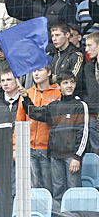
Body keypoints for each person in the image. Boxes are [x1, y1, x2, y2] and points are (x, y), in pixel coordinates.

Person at [21, 71, 90, 201]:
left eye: (72, 82)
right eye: (65, 83)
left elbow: (84, 133)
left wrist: (77, 157)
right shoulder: (55, 105)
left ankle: (73, 212)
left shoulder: (80, 105)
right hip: (55, 157)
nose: (69, 85)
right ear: (58, 86)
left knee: (73, 192)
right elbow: (35, 113)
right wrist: (26, 97)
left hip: (71, 157)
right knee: (57, 192)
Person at [16, 65, 61, 192]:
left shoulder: (58, 93)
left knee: (49, 186)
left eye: (40, 70)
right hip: (29, 148)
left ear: (49, 72)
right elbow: (20, 121)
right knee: (32, 188)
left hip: (49, 148)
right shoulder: (27, 93)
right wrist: (15, 147)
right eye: (34, 71)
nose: (36, 74)